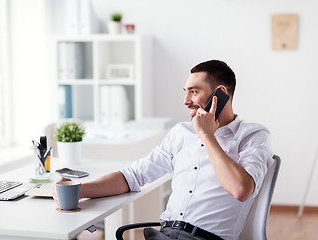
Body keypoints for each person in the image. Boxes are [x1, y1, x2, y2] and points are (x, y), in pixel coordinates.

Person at [53, 60, 273, 240]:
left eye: (194, 92)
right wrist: (77, 191)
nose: (186, 101)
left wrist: (207, 135)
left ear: (220, 94)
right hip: (164, 234)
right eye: (185, 92)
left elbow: (241, 190)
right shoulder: (181, 133)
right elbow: (133, 176)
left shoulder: (253, 136)